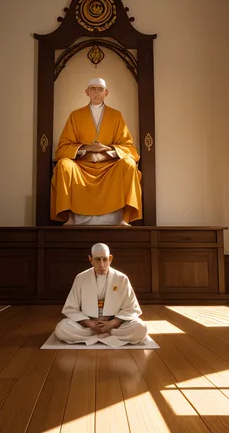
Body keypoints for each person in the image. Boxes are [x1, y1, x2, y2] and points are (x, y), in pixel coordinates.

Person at [51, 78, 142, 226]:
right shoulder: (75, 115)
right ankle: (70, 219)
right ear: (87, 92)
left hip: (109, 167)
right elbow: (62, 148)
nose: (96, 92)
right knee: (64, 165)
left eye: (100, 89)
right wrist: (86, 148)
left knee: (129, 164)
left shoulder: (116, 115)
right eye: (93, 89)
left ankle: (123, 219)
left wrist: (107, 150)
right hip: (82, 166)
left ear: (106, 92)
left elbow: (130, 148)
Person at [55, 243, 148, 348]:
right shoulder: (81, 278)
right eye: (97, 259)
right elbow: (70, 308)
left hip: (114, 326)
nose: (102, 265)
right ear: (91, 260)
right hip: (89, 326)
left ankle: (101, 334)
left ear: (110, 258)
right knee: (61, 328)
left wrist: (113, 323)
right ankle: (105, 335)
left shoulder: (122, 278)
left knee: (141, 328)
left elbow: (131, 308)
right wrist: (89, 323)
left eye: (105, 259)